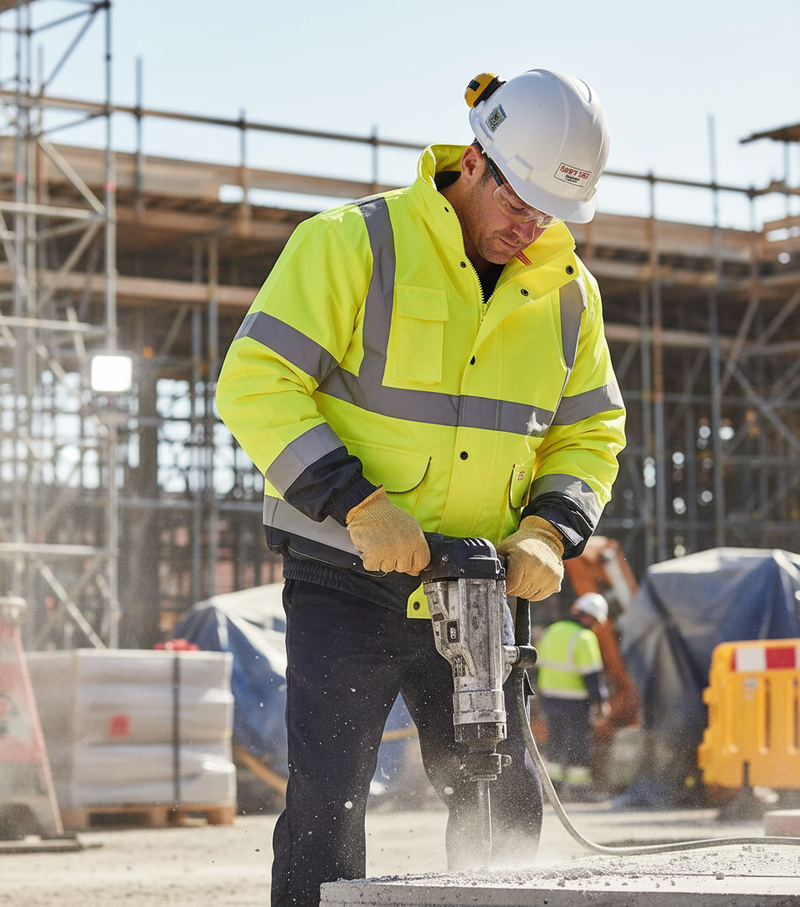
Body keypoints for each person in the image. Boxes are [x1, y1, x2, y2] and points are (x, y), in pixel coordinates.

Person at [216, 67, 626, 906]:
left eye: (550, 214)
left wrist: (549, 529)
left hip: (477, 584)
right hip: (347, 576)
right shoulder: (352, 244)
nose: (531, 228)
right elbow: (255, 381)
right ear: (474, 162)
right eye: (520, 204)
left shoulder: (569, 294)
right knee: (329, 804)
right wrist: (358, 504)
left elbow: (590, 432)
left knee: (502, 796)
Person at [535, 592, 611, 801]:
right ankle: (578, 790)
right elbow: (592, 675)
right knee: (578, 744)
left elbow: (539, 665)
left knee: (555, 742)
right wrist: (601, 701)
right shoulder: (584, 638)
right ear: (591, 617)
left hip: (550, 698)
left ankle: (553, 790)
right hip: (576, 702)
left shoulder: (552, 631)